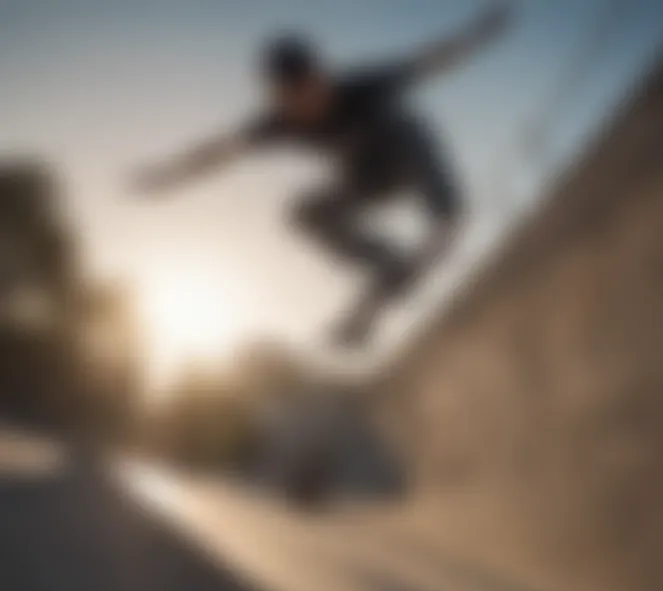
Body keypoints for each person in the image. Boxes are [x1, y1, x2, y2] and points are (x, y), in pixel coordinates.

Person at [130, 2, 513, 346]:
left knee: (402, 126)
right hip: (364, 181)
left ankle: (445, 213)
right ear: (280, 100)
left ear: (322, 77)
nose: (308, 105)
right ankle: (387, 267)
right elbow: (219, 152)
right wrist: (165, 176)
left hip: (407, 157)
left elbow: (430, 60)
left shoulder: (365, 85)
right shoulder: (280, 123)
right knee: (302, 212)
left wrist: (479, 32)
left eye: (312, 90)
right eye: (294, 101)